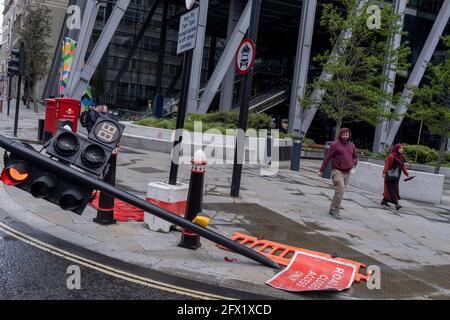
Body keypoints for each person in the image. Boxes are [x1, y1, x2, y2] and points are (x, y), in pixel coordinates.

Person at [317, 128, 358, 220]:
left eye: (347, 135)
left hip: (347, 172)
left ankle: (332, 208)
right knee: (341, 190)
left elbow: (355, 157)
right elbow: (328, 158)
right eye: (343, 134)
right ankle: (336, 210)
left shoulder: (351, 145)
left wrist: (353, 166)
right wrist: (321, 170)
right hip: (337, 171)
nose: (345, 136)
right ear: (340, 135)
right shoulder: (335, 145)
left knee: (339, 192)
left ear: (349, 135)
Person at [382, 144, 410, 210]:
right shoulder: (391, 156)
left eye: (402, 148)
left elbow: (403, 166)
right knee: (392, 190)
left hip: (397, 177)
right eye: (400, 148)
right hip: (390, 176)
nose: (402, 150)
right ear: (396, 148)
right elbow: (387, 165)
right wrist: (384, 172)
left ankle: (384, 200)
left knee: (392, 189)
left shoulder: (401, 157)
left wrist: (407, 174)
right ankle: (396, 204)